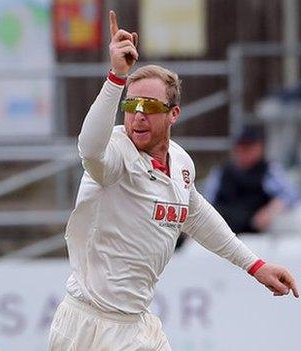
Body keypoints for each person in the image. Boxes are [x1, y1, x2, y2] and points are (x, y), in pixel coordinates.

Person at [48, 11, 299, 351]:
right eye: (132, 104)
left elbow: (197, 216)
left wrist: (255, 265)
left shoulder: (180, 162)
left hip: (136, 323)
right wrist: (116, 77)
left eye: (149, 106)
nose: (137, 114)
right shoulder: (115, 152)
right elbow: (89, 149)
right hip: (91, 326)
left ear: (173, 114)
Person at [203, 124, 300, 234]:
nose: (243, 152)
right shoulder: (221, 172)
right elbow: (206, 202)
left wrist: (270, 210)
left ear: (259, 148)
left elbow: (291, 194)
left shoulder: (269, 171)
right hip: (223, 230)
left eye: (248, 147)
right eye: (241, 147)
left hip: (253, 231)